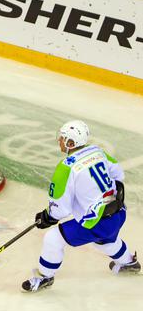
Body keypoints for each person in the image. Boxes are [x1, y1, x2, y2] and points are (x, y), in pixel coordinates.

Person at [23, 120, 140, 293]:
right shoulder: (97, 151)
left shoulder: (66, 168)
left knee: (53, 239)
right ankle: (128, 263)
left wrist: (47, 217)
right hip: (118, 212)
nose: (59, 141)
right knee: (106, 242)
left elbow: (60, 209)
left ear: (71, 143)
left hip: (97, 222)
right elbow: (118, 172)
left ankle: (44, 277)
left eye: (63, 138)